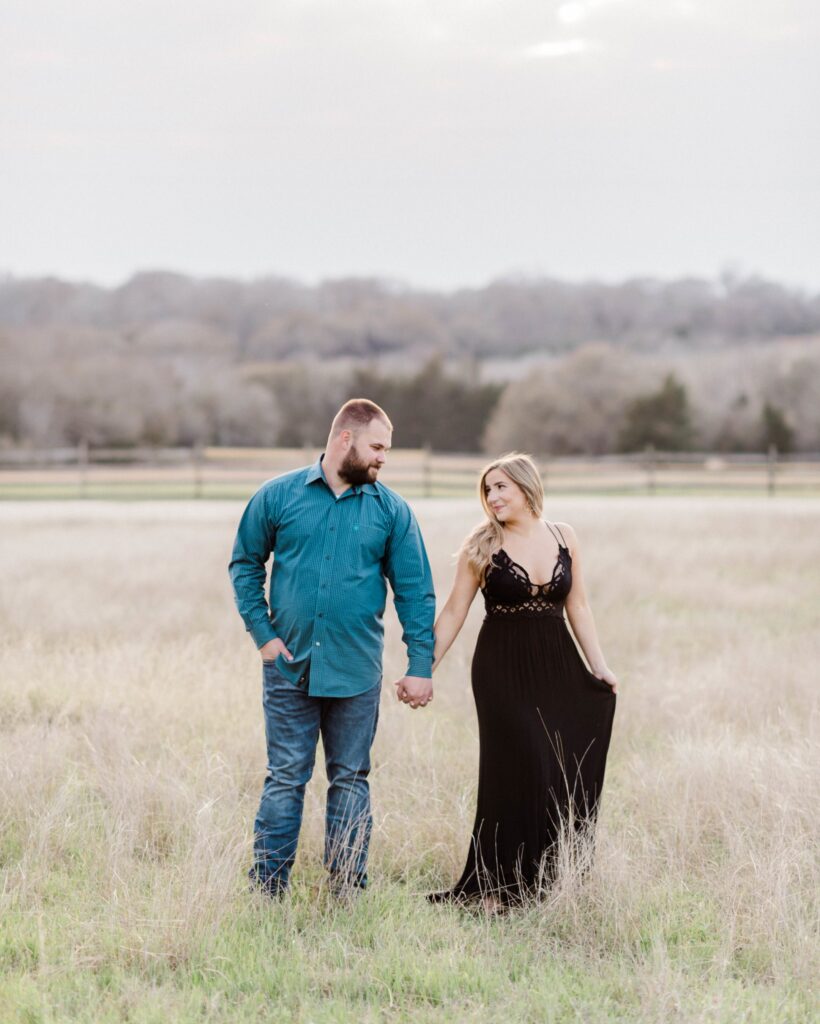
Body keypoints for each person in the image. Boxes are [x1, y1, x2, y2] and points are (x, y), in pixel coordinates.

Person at [229, 399, 435, 897]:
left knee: (350, 779)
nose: (384, 457)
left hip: (356, 672)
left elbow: (415, 591)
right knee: (284, 779)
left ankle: (347, 889)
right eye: (378, 446)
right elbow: (245, 564)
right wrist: (265, 637)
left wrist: (421, 665)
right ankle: (268, 890)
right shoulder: (277, 497)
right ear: (345, 439)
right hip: (288, 667)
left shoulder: (392, 512)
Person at [429, 453, 617, 910]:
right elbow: (455, 610)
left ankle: (546, 880)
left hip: (558, 665)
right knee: (520, 763)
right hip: (501, 669)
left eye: (501, 487)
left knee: (557, 768)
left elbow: (579, 607)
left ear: (526, 487)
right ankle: (495, 887)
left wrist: (600, 666)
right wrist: (422, 668)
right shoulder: (482, 543)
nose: (492, 497)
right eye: (487, 489)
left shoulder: (563, 535)